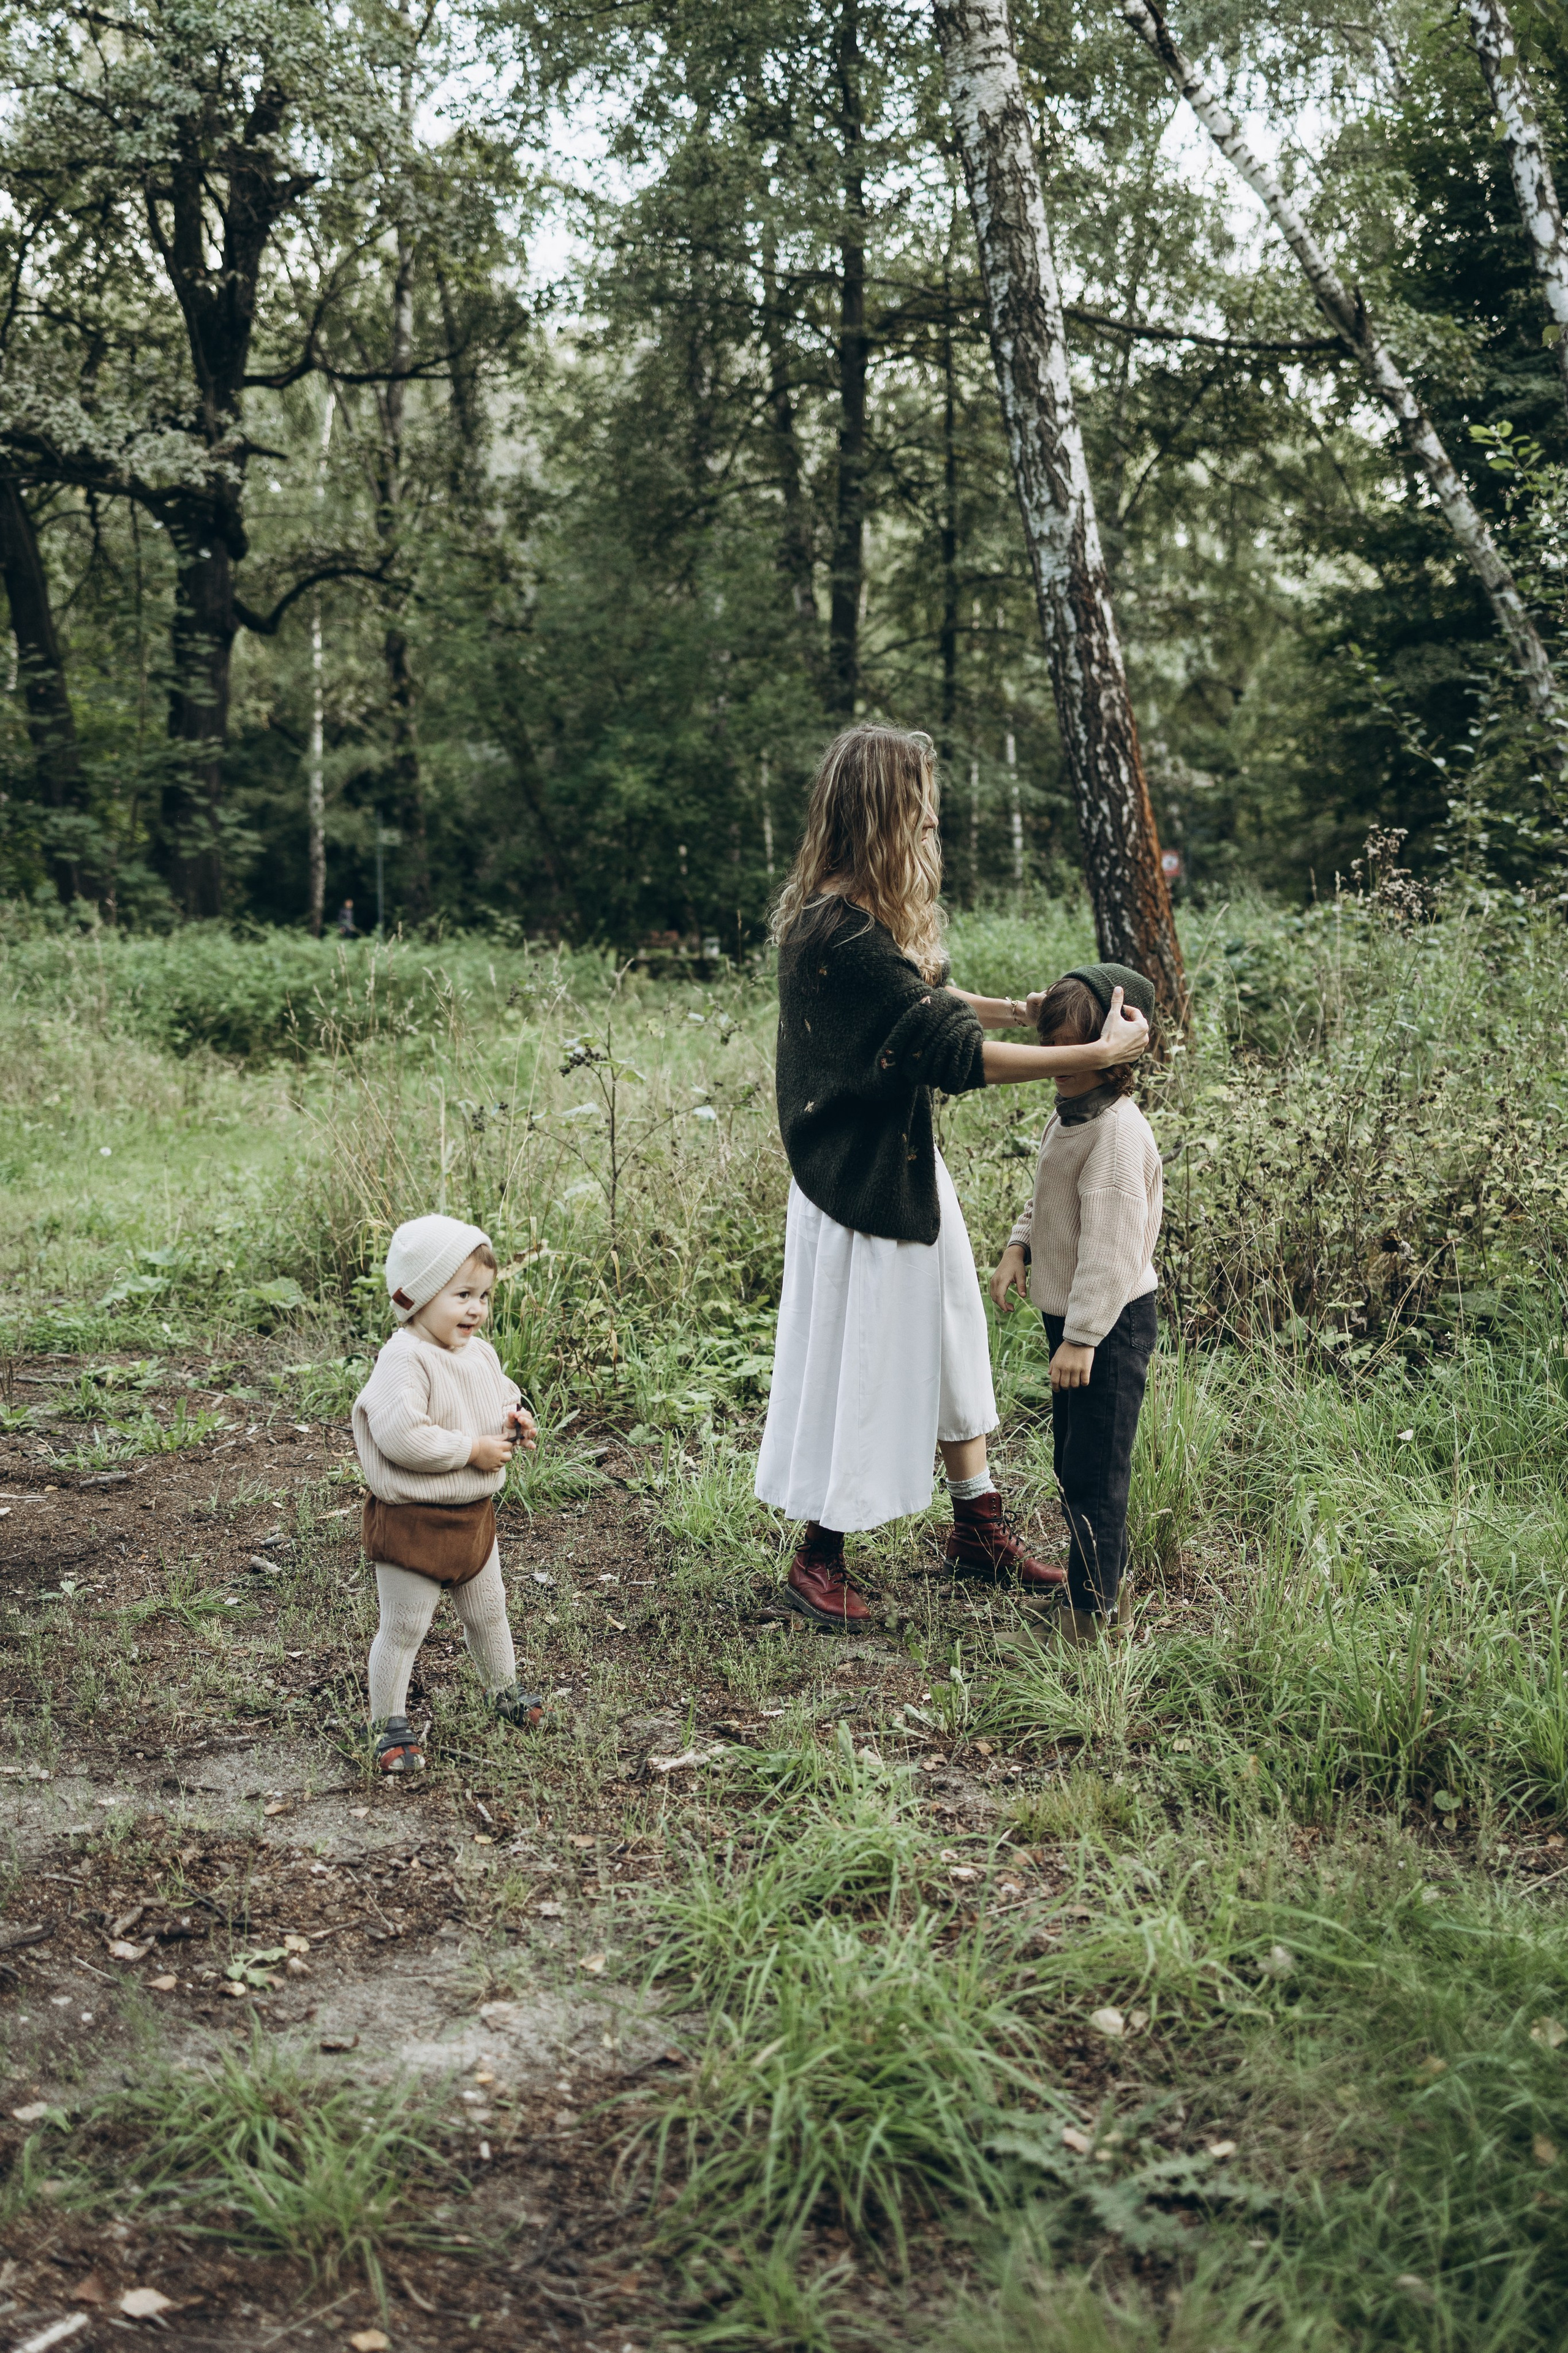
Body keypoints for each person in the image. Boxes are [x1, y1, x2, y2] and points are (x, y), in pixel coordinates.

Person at [755, 723, 1150, 1630]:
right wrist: (1096, 1049)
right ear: (885, 815)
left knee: (948, 1335)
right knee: (870, 1364)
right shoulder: (837, 933)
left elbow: (920, 995)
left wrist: (1018, 1008)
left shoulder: (854, 918)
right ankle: (820, 1555)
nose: (934, 825)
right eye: (923, 812)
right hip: (858, 1189)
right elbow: (945, 1049)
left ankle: (977, 1524)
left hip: (895, 1168)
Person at [990, 966, 1164, 1644]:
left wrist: (1084, 1336)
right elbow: (1051, 1197)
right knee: (1072, 1460)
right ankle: (1083, 1594)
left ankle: (1090, 1617)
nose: (1059, 1065)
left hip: (1108, 1324)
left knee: (1096, 1469)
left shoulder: (1116, 1136)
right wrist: (1018, 1245)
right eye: (1053, 1050)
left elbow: (1112, 1250)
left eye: (1075, 1051)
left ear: (1113, 1051)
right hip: (1074, 1320)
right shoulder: (1071, 1113)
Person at [352, 1214, 543, 1773]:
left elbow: (500, 1393)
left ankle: (502, 1689)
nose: (476, 1309)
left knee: (489, 1611)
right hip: (414, 1520)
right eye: (462, 1294)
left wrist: (515, 1419)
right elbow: (401, 1434)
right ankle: (387, 1723)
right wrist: (469, 1450)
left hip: (472, 1516)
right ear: (420, 1296)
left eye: (483, 1295)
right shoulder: (404, 1358)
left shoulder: (476, 1352)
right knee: (406, 1626)